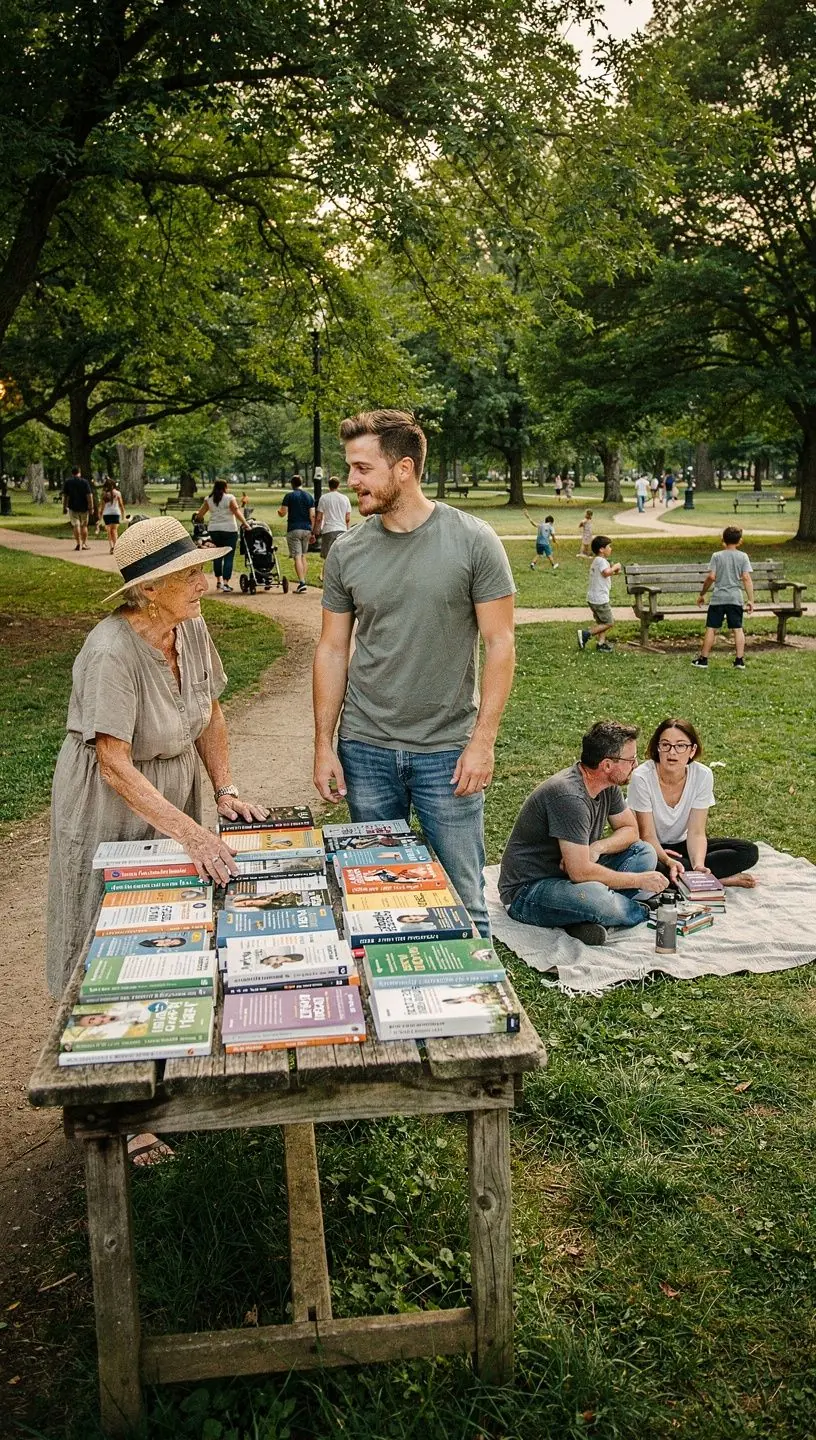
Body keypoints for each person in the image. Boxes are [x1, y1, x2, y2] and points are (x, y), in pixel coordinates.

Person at [46, 517, 267, 1164]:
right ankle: (112, 1108)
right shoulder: (111, 651)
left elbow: (211, 711)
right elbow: (113, 764)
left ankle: (163, 1071)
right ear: (149, 590)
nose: (206, 582)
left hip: (177, 788)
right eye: (191, 574)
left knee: (173, 924)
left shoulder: (191, 628)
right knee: (107, 937)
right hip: (113, 798)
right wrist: (193, 832)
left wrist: (222, 792)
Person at [313, 408, 515, 938]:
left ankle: (475, 1013)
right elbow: (333, 649)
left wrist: (483, 741)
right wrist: (323, 743)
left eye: (362, 468)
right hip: (365, 748)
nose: (351, 480)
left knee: (465, 900)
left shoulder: (474, 541)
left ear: (404, 469)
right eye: (351, 468)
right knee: (381, 896)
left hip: (447, 752)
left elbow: (500, 643)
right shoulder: (347, 551)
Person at [498, 720, 667, 947]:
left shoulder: (608, 786)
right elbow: (579, 872)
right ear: (607, 765)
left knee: (644, 852)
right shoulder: (569, 797)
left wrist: (598, 848)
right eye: (631, 760)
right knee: (597, 898)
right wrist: (638, 880)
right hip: (528, 891)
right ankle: (637, 911)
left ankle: (578, 917)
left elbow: (630, 830)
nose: (636, 765)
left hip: (572, 877)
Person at [628, 718, 759, 888]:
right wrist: (667, 860)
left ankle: (694, 877)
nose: (672, 753)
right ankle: (718, 880)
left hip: (682, 847)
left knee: (748, 851)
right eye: (665, 745)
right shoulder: (642, 777)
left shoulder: (702, 775)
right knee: (648, 867)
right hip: (651, 848)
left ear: (692, 750)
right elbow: (647, 836)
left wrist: (699, 865)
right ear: (657, 748)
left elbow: (696, 832)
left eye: (680, 746)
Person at [693, 526, 754, 669]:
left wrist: (702, 594)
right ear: (740, 541)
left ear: (723, 540)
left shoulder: (717, 556)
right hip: (735, 598)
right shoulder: (743, 556)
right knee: (737, 629)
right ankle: (739, 660)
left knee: (711, 628)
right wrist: (750, 599)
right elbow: (746, 578)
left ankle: (703, 659)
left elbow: (711, 577)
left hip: (718, 598)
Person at [195, 480, 250, 593]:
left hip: (214, 529)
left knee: (217, 555)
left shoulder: (209, 499)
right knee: (228, 556)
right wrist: (245, 524)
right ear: (225, 487)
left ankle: (218, 580)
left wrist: (198, 519)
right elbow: (236, 511)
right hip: (230, 529)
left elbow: (200, 515)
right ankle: (226, 583)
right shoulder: (229, 498)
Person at [578, 535, 620, 652]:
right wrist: (616, 566)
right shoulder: (602, 561)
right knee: (609, 622)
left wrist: (614, 571)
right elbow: (606, 573)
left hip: (593, 598)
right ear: (602, 549)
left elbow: (605, 573)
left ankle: (601, 644)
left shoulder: (597, 561)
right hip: (600, 599)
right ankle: (586, 634)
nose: (611, 549)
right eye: (609, 546)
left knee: (602, 622)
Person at [278, 474, 315, 593]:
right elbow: (312, 515)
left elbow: (283, 512)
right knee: (304, 556)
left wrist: (279, 512)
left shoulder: (289, 496)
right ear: (302, 482)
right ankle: (302, 583)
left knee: (297, 557)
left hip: (294, 529)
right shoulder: (309, 496)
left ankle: (302, 582)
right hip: (307, 529)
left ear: (292, 484)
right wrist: (313, 532)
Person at [313, 476, 352, 575]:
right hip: (342, 530)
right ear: (338, 485)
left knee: (328, 556)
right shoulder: (345, 498)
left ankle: (326, 576)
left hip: (329, 530)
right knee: (340, 556)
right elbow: (347, 518)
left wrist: (316, 530)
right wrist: (347, 531)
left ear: (328, 485)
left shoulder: (324, 498)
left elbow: (319, 517)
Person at [62, 466, 95, 550]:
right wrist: (91, 507)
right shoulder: (84, 482)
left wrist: (65, 507)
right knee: (84, 526)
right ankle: (84, 544)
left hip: (73, 507)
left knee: (76, 525)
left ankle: (78, 543)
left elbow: (66, 496)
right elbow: (89, 495)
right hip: (84, 507)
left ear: (72, 473)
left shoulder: (68, 482)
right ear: (79, 472)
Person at [99, 476, 126, 552]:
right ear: (114, 485)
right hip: (115, 513)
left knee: (109, 531)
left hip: (107, 514)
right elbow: (121, 505)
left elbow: (102, 506)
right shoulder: (118, 493)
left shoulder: (104, 494)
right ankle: (116, 546)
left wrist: (100, 516)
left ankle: (111, 546)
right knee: (114, 530)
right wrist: (123, 514)